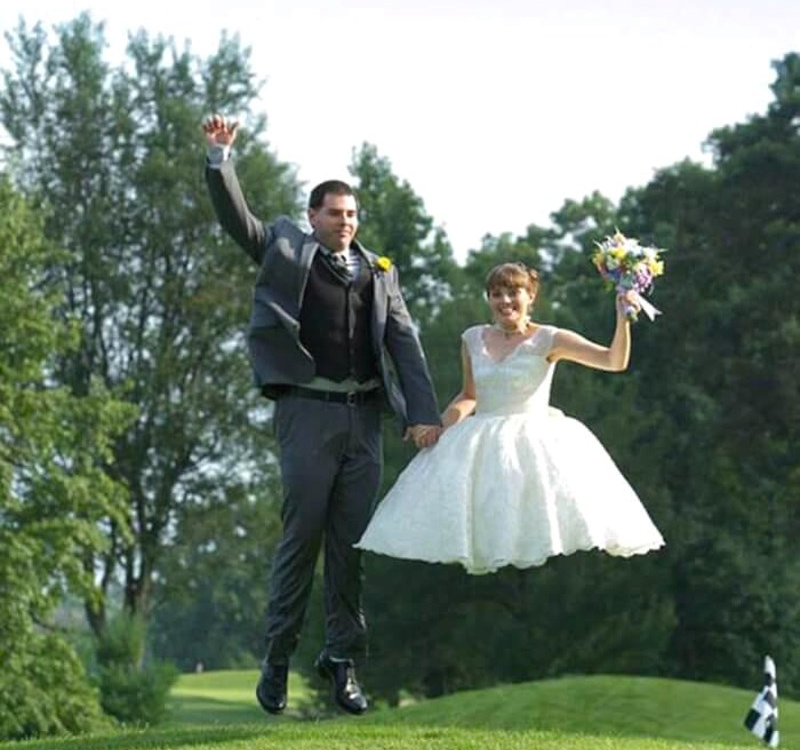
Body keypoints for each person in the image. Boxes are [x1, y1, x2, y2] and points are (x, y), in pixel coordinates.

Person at [202, 114, 441, 715]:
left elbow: (406, 346)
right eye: (335, 213)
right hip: (307, 415)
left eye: (352, 214)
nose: (345, 222)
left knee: (351, 544)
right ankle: (277, 657)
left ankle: (342, 661)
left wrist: (423, 415)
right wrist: (221, 160)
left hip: (364, 421)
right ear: (313, 217)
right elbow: (238, 220)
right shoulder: (286, 248)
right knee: (302, 538)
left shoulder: (381, 272)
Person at [357, 261, 664, 573]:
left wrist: (623, 317)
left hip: (533, 440)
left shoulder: (549, 339)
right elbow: (469, 395)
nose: (505, 301)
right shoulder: (472, 338)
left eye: (514, 292)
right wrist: (440, 428)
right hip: (481, 439)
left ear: (531, 296)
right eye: (496, 294)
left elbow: (613, 361)